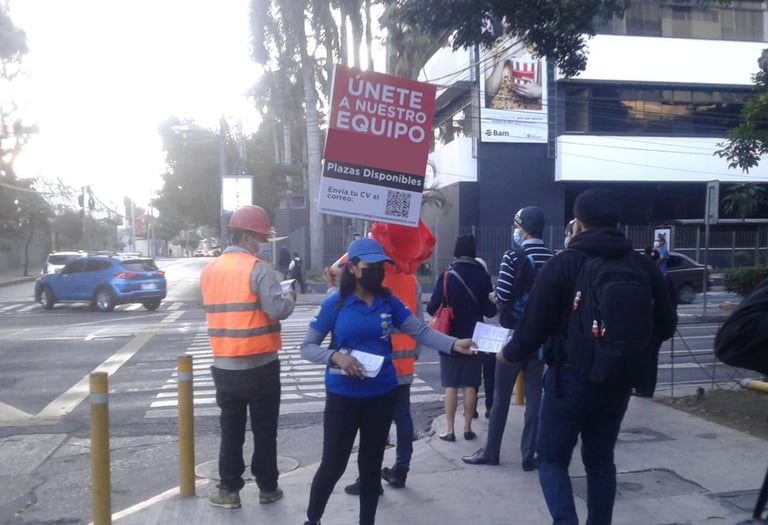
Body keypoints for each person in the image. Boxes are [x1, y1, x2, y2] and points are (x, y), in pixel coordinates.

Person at [500, 189, 677, 525]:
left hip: (570, 378)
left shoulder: (563, 263)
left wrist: (508, 355)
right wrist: (631, 349)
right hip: (619, 380)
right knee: (600, 461)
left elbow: (533, 327)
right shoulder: (642, 264)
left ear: (578, 224)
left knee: (551, 457)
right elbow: (667, 324)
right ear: (618, 223)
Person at [300, 237, 476, 525]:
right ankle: (313, 519)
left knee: (370, 467)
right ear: (353, 268)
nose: (379, 272)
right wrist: (337, 358)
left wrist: (454, 344)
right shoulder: (336, 303)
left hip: (381, 395)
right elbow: (307, 347)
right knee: (333, 464)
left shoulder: (388, 302)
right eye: (372, 266)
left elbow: (419, 331)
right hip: (343, 398)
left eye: (382, 266)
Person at [199, 205, 296, 510]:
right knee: (264, 430)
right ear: (246, 236)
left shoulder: (210, 269)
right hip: (261, 366)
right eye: (259, 236)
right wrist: (289, 297)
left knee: (231, 430)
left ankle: (228, 490)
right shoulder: (258, 268)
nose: (263, 242)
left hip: (225, 365)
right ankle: (267, 487)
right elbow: (277, 310)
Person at [462, 206, 553, 471]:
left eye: (516, 225)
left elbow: (502, 295)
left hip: (512, 336)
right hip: (539, 338)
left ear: (523, 228)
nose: (514, 230)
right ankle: (529, 454)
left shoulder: (513, 256)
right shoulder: (553, 256)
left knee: (501, 394)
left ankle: (492, 451)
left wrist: (495, 298)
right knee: (536, 393)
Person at [427, 234, 497, 442]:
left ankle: (450, 430)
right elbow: (490, 311)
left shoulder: (447, 276)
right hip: (475, 337)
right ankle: (467, 428)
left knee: (450, 385)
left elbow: (431, 308)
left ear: (456, 250)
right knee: (469, 385)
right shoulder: (483, 277)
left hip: (449, 337)